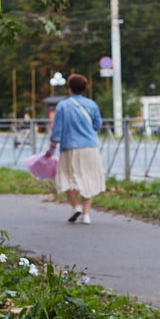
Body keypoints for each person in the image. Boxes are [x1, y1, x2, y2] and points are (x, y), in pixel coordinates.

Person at [47, 74, 104, 225]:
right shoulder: (92, 104)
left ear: (69, 88)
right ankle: (86, 214)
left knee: (67, 177)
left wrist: (51, 149)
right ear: (84, 88)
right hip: (90, 147)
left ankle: (75, 206)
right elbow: (98, 125)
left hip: (69, 148)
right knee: (89, 178)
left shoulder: (63, 106)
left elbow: (57, 130)